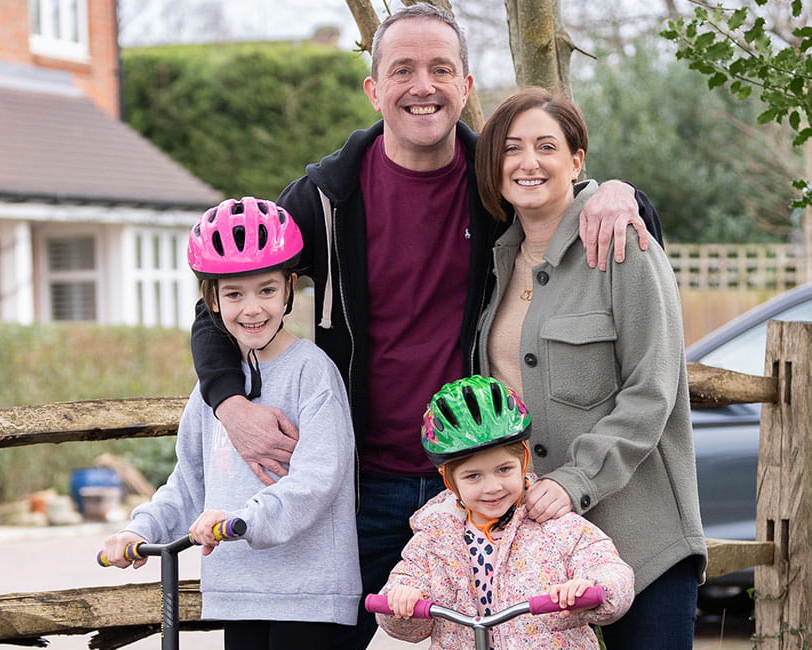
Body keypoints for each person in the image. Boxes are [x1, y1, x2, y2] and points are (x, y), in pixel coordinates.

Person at [186, 6, 663, 646]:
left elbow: (584, 210)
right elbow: (221, 298)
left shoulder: (494, 188)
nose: (423, 86)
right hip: (355, 488)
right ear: (374, 88)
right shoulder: (323, 199)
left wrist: (620, 190)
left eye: (442, 69)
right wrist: (230, 403)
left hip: (475, 480)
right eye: (402, 69)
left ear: (466, 87)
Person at [473, 87, 705, 647]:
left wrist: (576, 480)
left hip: (641, 538)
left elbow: (654, 389)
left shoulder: (623, 244)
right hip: (540, 551)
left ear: (577, 161)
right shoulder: (493, 262)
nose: (528, 163)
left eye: (546, 146)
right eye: (511, 149)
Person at [102, 197, 362, 649]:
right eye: (235, 294)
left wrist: (243, 519)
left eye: (266, 290)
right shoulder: (215, 393)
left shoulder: (312, 371)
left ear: (289, 289)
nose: (252, 309)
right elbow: (190, 483)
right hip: (237, 589)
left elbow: (320, 479)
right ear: (213, 300)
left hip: (306, 592)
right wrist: (140, 529)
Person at [378, 375, 633, 649]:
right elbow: (405, 611)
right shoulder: (434, 538)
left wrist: (590, 588)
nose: (492, 487)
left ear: (523, 460)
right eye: (473, 476)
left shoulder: (556, 524)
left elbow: (612, 572)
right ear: (449, 480)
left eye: (504, 469)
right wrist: (400, 602)